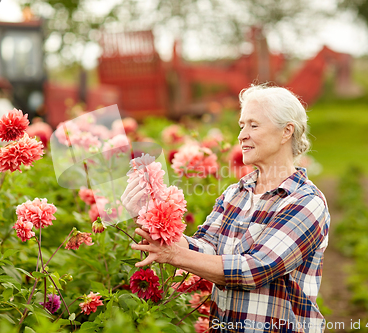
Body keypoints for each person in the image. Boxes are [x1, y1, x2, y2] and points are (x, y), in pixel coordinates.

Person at [122, 84, 330, 333]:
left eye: (254, 125)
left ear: (286, 132)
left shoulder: (306, 201)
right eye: (242, 125)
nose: (242, 135)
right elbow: (205, 246)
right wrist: (146, 213)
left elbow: (256, 269)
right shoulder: (235, 193)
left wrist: (175, 255)